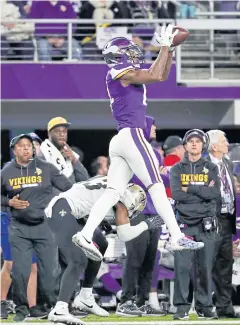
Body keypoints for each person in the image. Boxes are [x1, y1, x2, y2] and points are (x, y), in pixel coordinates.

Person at [72, 25, 204, 261]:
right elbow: (153, 75)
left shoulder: (123, 72)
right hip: (131, 135)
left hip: (122, 138)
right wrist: (164, 46)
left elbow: (161, 75)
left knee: (113, 193)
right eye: (128, 51)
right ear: (117, 54)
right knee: (155, 185)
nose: (133, 54)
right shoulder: (117, 71)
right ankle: (176, 236)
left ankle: (85, 233)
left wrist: (169, 50)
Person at [45, 176, 159, 323]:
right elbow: (124, 234)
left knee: (101, 242)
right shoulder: (123, 196)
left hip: (74, 212)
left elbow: (88, 195)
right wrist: (147, 224)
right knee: (78, 261)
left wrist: (101, 218)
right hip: (62, 210)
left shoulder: (113, 182)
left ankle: (85, 295)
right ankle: (60, 309)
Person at [1, 134, 73, 322]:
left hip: (45, 226)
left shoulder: (47, 168)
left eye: (29, 146)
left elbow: (69, 188)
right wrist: (9, 202)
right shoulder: (6, 171)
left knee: (50, 272)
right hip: (19, 227)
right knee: (20, 271)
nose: (26, 149)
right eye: (21, 146)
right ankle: (21, 309)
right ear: (14, 150)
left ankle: (51, 306)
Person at [116, 115, 166, 317]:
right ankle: (125, 301)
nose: (156, 129)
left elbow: (159, 182)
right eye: (153, 125)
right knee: (134, 258)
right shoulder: (127, 153)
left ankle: (142, 301)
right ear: (143, 127)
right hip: (135, 212)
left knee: (150, 260)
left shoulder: (155, 154)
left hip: (156, 213)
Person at [170, 129, 221, 320]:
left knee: (205, 267)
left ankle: (205, 307)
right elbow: (177, 195)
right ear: (184, 145)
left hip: (206, 224)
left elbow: (214, 193)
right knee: (182, 267)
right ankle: (182, 308)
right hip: (183, 223)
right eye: (190, 141)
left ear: (203, 145)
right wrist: (201, 191)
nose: (194, 144)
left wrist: (189, 188)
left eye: (198, 141)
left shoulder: (211, 167)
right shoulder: (176, 169)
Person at [207, 129, 240, 318]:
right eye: (224, 141)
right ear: (214, 146)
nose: (227, 144)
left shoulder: (227, 162)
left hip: (227, 219)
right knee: (206, 264)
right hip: (210, 220)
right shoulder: (202, 164)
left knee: (225, 266)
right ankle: (204, 305)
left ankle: (224, 307)